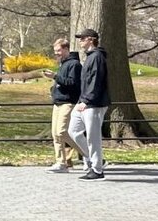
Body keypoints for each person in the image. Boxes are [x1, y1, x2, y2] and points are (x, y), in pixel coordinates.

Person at [68, 28, 110, 180]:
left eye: (82, 38)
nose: (80, 41)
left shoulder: (97, 57)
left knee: (93, 138)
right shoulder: (90, 57)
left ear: (91, 40)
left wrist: (86, 100)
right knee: (73, 131)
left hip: (94, 103)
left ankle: (97, 170)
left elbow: (96, 81)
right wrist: (82, 100)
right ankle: (95, 159)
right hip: (84, 101)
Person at [42, 38, 83, 172]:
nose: (57, 53)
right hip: (58, 102)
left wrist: (55, 76)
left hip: (68, 102)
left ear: (66, 49)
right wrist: (54, 90)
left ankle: (88, 154)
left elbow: (72, 83)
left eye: (59, 50)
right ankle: (61, 162)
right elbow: (61, 82)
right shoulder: (63, 64)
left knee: (62, 131)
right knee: (55, 134)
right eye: (55, 51)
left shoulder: (74, 65)